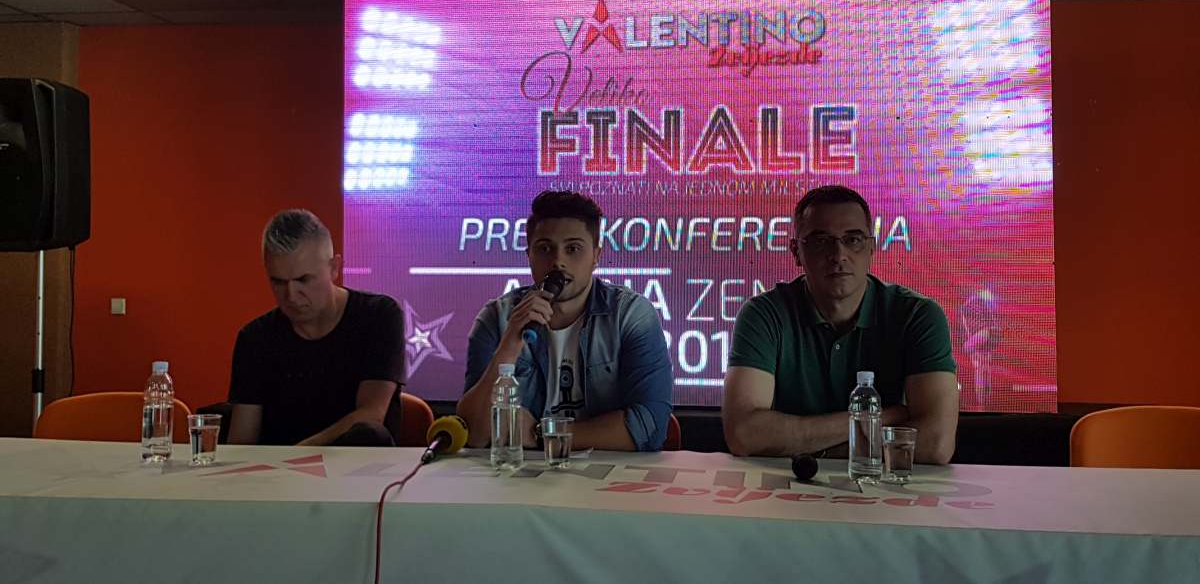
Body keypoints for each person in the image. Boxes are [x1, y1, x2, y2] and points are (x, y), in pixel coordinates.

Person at [722, 185, 958, 464]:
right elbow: (744, 435)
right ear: (796, 252)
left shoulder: (918, 315)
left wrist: (813, 450)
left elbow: (936, 443)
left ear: (872, 246)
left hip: (886, 486)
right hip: (788, 485)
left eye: (853, 239)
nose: (838, 254)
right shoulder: (764, 314)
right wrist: (882, 417)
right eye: (821, 241)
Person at [458, 191, 673, 452]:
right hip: (520, 472)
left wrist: (542, 434)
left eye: (573, 249)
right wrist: (510, 344)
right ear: (528, 255)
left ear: (596, 256)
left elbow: (649, 428)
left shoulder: (631, 315)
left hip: (607, 472)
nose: (558, 262)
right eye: (545, 249)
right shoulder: (496, 318)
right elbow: (474, 434)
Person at [227, 209, 405, 446]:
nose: (291, 296)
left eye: (303, 280)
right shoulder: (255, 338)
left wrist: (297, 455)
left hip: (358, 467)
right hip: (277, 469)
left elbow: (371, 415)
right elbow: (242, 443)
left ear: (334, 268)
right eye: (278, 282)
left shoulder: (378, 316)